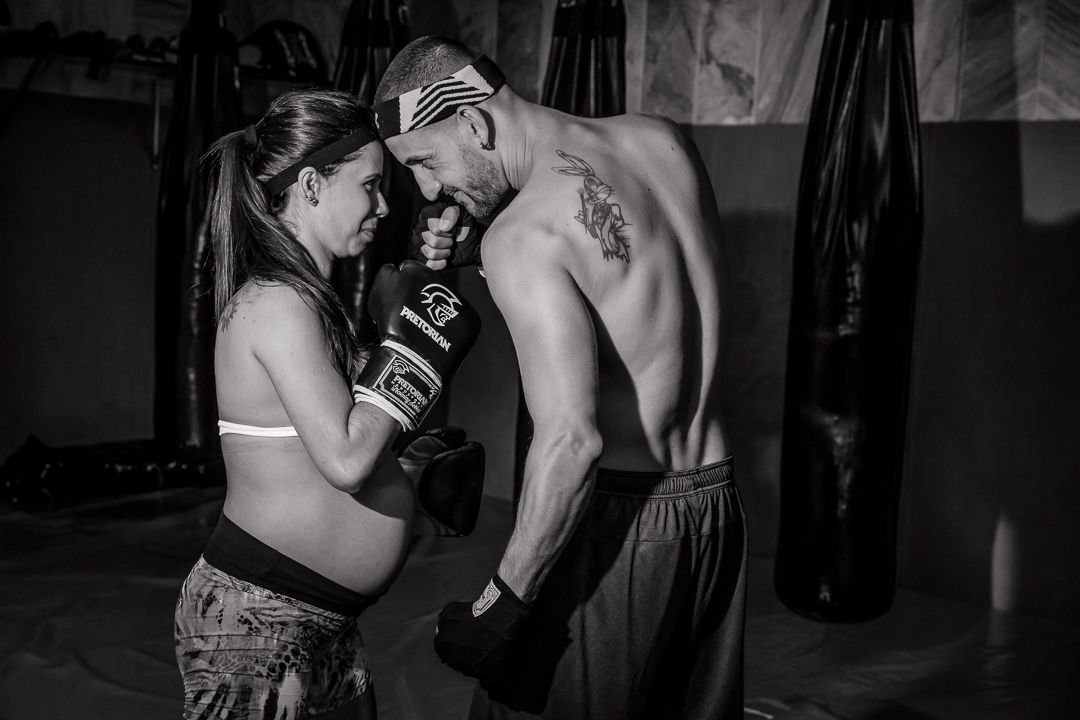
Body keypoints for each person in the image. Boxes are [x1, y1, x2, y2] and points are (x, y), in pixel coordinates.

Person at [373, 38, 747, 719]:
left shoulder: (522, 238)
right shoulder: (661, 141)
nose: (427, 191)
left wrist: (500, 605)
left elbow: (572, 442)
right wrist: (486, 238)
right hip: (714, 507)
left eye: (425, 163)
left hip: (623, 525)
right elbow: (627, 281)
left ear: (477, 123)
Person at [173, 88, 483, 719]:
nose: (384, 204)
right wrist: (413, 356)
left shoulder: (313, 302)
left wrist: (408, 469)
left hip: (314, 619)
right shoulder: (276, 303)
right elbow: (345, 459)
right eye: (370, 185)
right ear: (311, 184)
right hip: (258, 622)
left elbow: (338, 442)